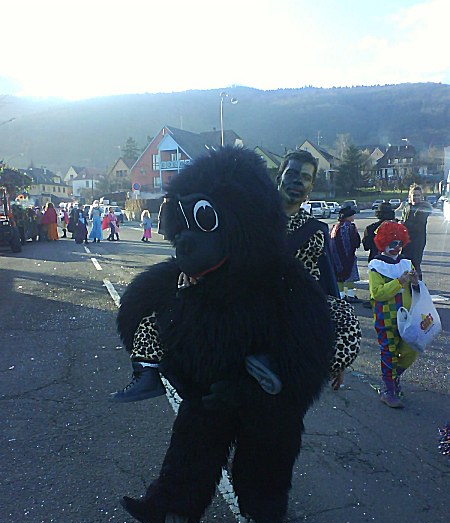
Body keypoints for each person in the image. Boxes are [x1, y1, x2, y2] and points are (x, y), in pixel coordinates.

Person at [111, 149, 361, 402]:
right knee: (160, 305)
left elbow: (325, 281)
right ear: (280, 176)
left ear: (311, 186)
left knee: (343, 321)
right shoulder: (246, 212)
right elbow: (204, 240)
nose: (297, 181)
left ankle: (272, 364)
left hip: (289, 307)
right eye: (292, 173)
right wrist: (190, 269)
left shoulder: (316, 229)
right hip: (237, 296)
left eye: (305, 177)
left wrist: (332, 352)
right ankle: (153, 371)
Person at [368, 221, 419, 408]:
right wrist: (399, 282)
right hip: (386, 317)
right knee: (388, 353)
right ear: (383, 243)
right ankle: (388, 388)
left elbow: (416, 291)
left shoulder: (406, 262)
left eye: (399, 243)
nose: (397, 247)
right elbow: (378, 293)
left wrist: (414, 282)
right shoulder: (376, 265)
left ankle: (393, 379)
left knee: (411, 349)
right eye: (392, 243)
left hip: (407, 316)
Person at [330, 206, 361, 302]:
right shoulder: (350, 227)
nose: (354, 217)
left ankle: (341, 295)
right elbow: (354, 242)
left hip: (336, 256)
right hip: (348, 256)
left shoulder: (335, 226)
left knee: (339, 276)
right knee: (350, 276)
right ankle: (351, 295)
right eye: (352, 215)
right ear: (348, 216)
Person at [400, 184, 432, 279]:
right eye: (414, 195)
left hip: (417, 240)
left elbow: (418, 225)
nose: (416, 197)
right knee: (404, 262)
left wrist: (403, 225)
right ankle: (407, 285)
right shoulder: (407, 207)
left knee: (415, 263)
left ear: (421, 196)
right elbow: (403, 219)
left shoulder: (423, 208)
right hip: (406, 240)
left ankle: (419, 285)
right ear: (410, 196)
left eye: (418, 195)